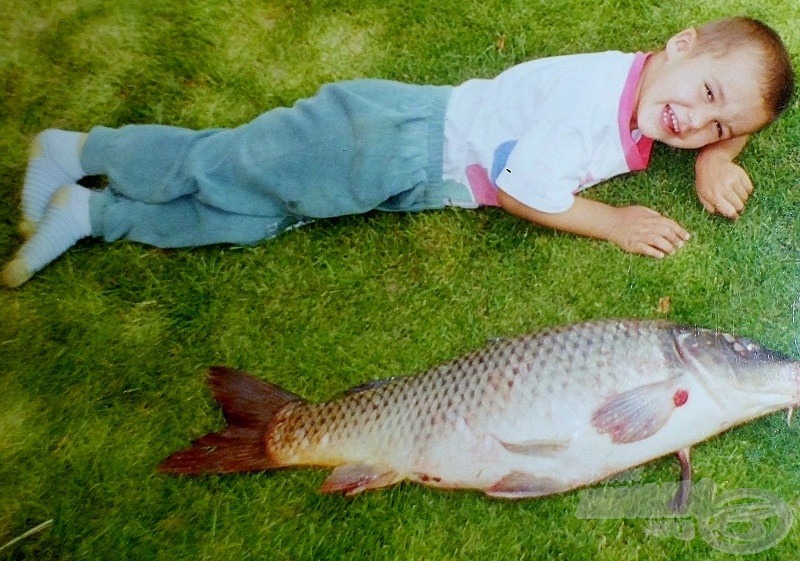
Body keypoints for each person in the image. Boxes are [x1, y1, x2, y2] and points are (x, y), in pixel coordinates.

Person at [2, 16, 793, 288]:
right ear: (681, 42)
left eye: (719, 125)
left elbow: (740, 99)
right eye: (706, 99)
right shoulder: (590, 110)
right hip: (386, 139)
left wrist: (717, 157)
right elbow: (525, 192)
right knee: (227, 165)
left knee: (252, 219)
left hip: (406, 179)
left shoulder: (657, 92)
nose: (696, 122)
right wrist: (615, 222)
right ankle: (77, 149)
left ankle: (94, 212)